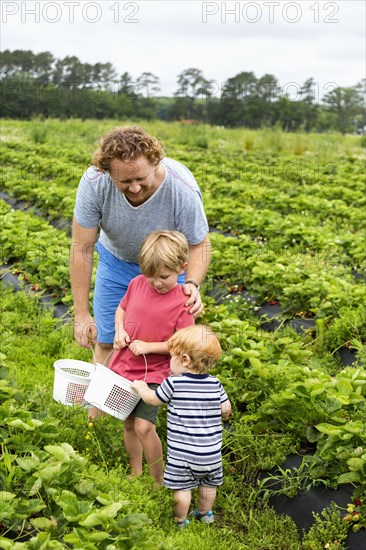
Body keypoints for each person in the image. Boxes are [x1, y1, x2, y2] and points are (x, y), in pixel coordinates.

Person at [70, 125, 211, 366]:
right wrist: (81, 314)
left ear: (155, 164)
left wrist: (191, 283)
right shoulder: (95, 183)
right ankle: (102, 402)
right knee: (107, 340)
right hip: (117, 264)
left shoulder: (181, 188)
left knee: (171, 344)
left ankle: (153, 397)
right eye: (125, 181)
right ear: (107, 173)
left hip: (167, 269)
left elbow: (199, 244)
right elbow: (82, 248)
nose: (134, 188)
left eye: (140, 178)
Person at [107, 230, 194, 483]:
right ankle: (135, 472)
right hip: (125, 366)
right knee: (128, 422)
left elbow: (181, 344)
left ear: (182, 268)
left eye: (164, 277)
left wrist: (149, 347)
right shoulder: (136, 285)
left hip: (154, 372)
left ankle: (157, 480)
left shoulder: (182, 303)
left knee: (144, 426)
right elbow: (121, 310)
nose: (156, 282)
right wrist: (119, 330)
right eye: (150, 275)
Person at [132, 324, 232, 528]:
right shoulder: (215, 384)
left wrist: (141, 387)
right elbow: (226, 408)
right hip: (211, 453)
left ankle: (180, 520)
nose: (170, 361)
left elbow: (153, 399)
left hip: (183, 455)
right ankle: (205, 514)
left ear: (184, 360)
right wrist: (222, 415)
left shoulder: (173, 383)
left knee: (182, 489)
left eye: (172, 356)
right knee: (208, 485)